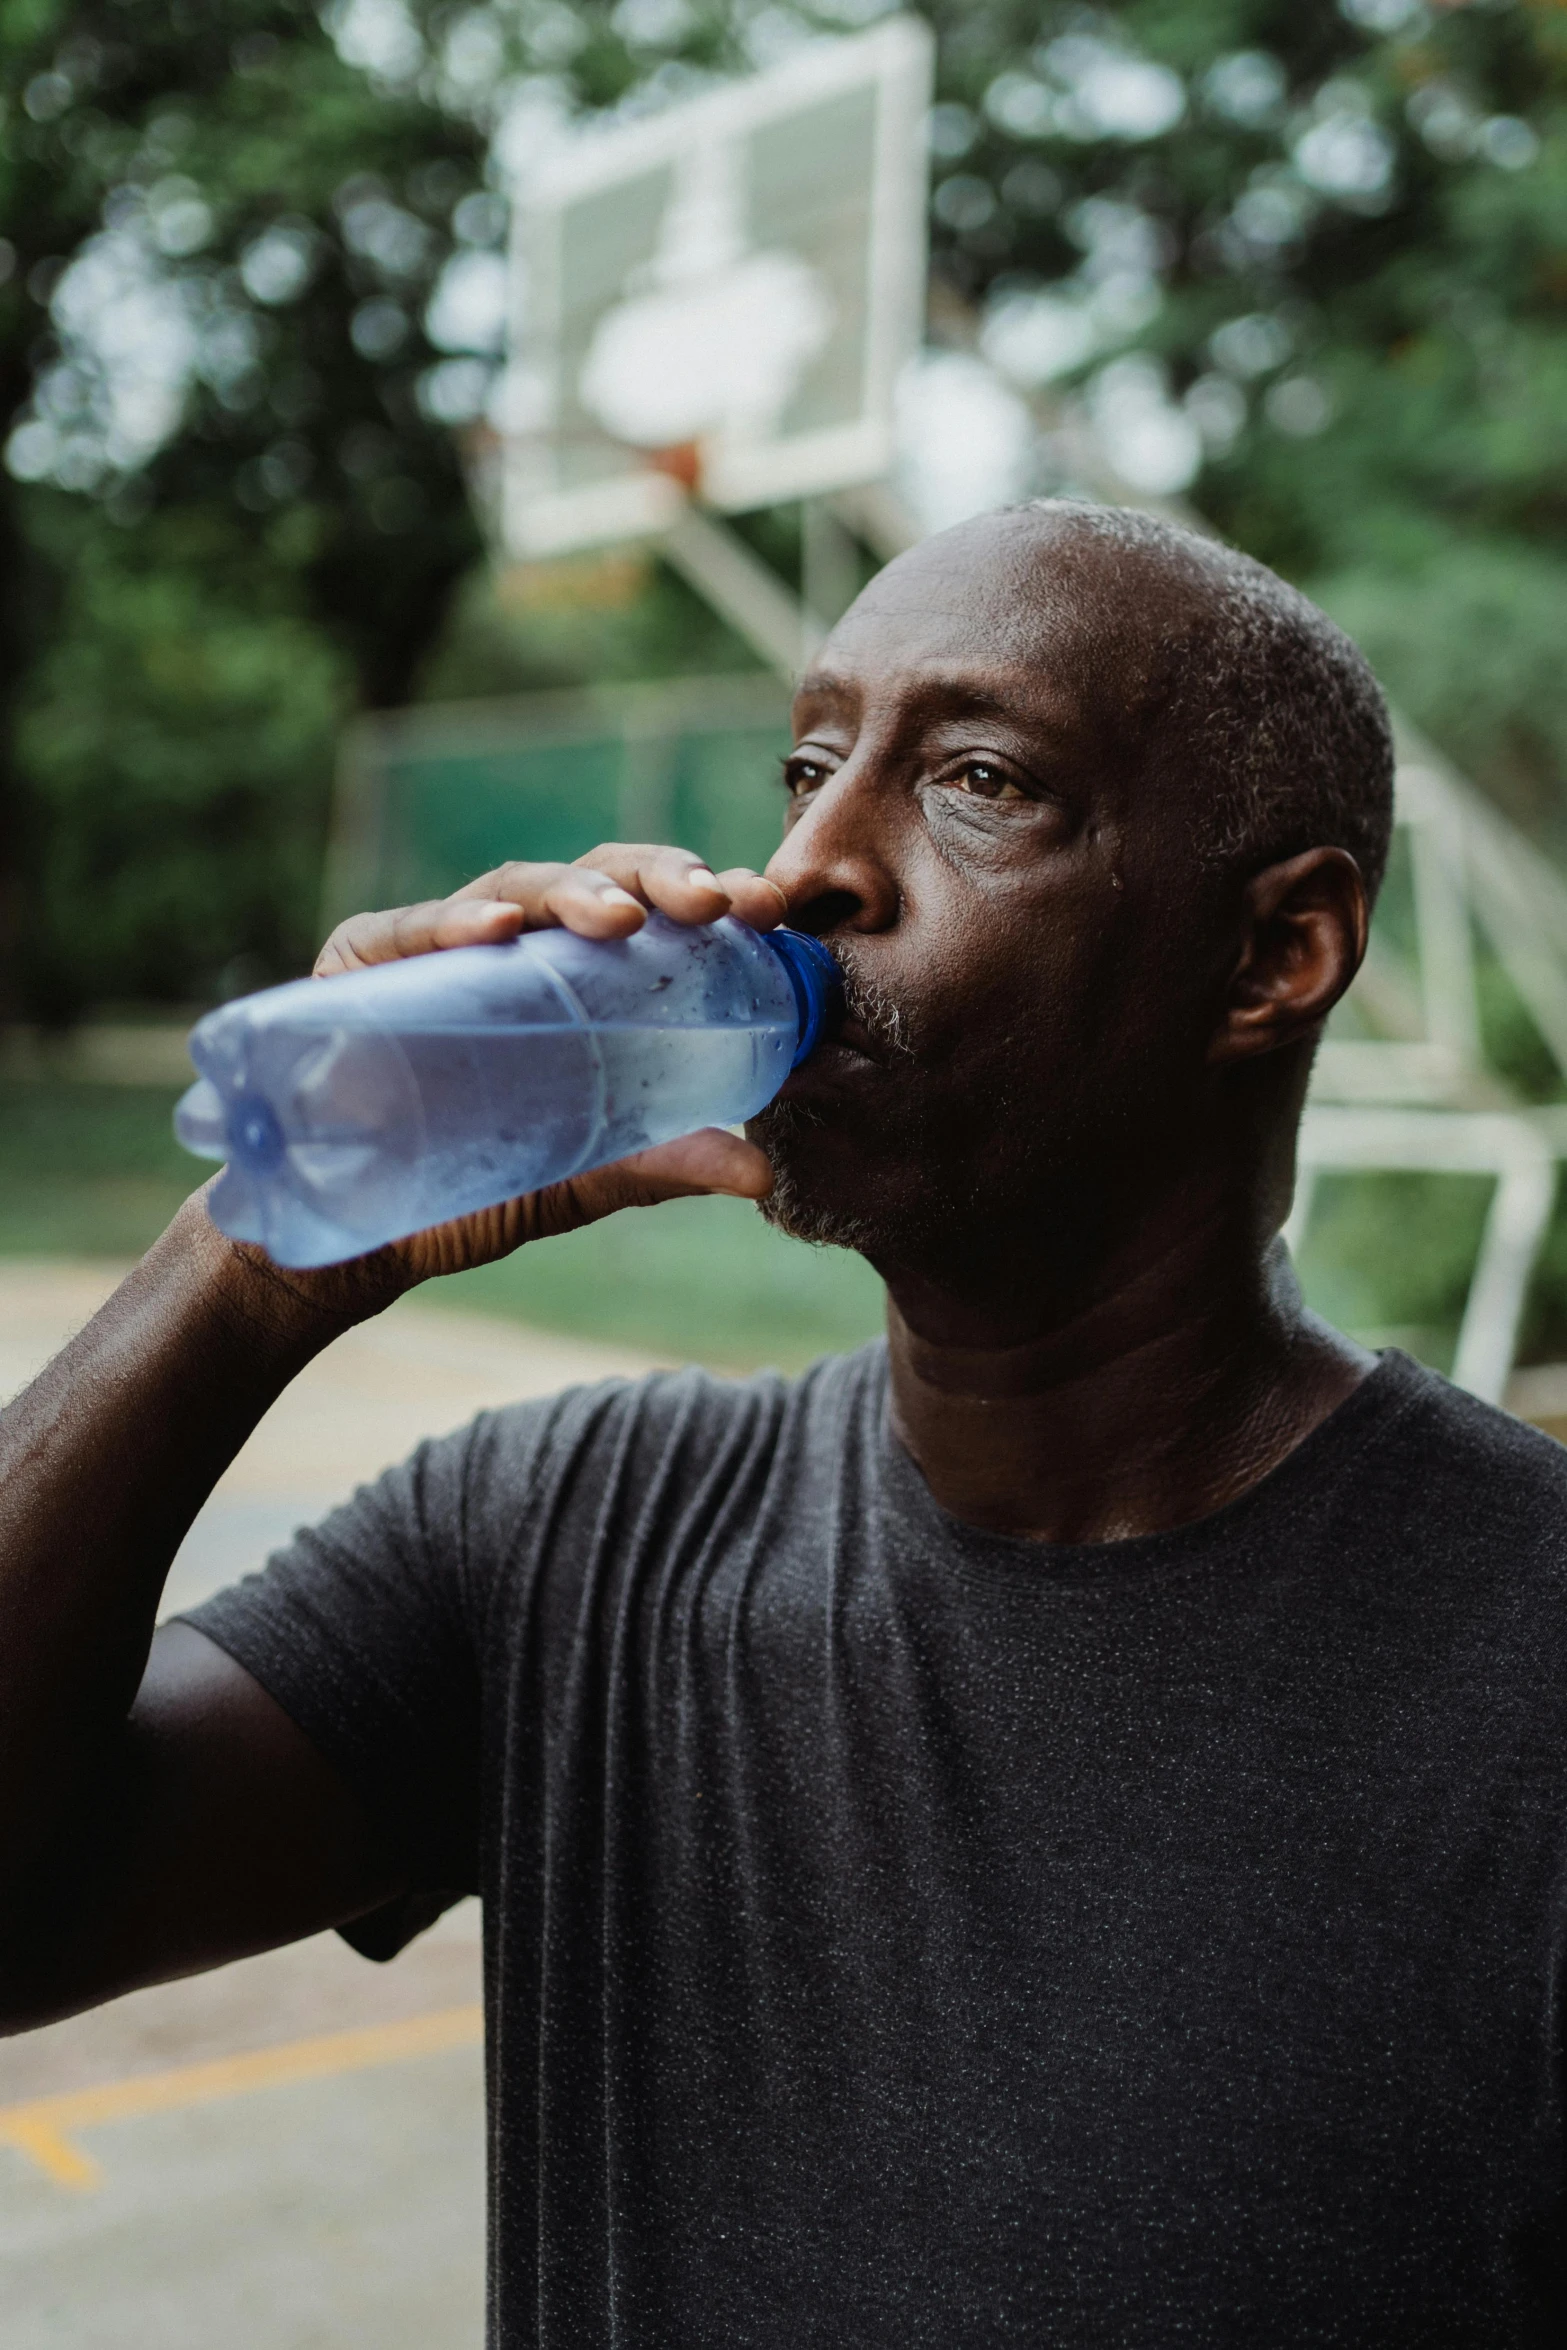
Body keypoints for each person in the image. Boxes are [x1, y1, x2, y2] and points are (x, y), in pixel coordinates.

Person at [2, 500, 1565, 2346]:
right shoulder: (565, 1533)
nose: (802, 867)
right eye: (808, 766)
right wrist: (259, 1254)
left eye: (978, 780)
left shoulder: (1520, 1653)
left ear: (1272, 951)